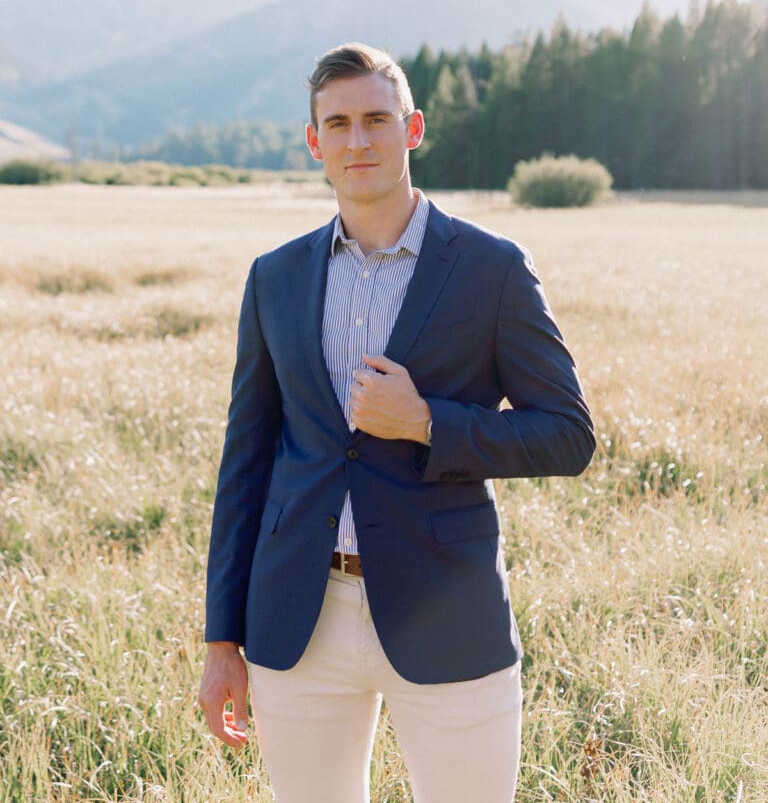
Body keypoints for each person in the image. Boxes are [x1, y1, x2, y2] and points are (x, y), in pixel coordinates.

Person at [198, 43, 594, 803]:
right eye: (337, 123)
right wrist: (222, 641)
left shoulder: (493, 267)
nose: (358, 141)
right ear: (315, 142)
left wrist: (427, 423)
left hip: (448, 609)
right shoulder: (274, 277)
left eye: (376, 119)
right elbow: (244, 462)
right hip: (296, 621)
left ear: (412, 129)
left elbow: (568, 433)